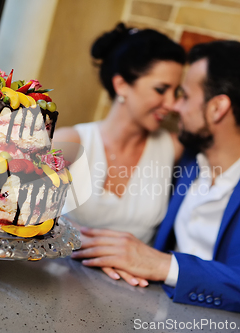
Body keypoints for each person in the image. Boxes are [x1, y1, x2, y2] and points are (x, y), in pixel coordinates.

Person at [71, 40, 240, 322]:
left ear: (217, 108)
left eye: (185, 96)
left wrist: (168, 267)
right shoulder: (185, 160)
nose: (175, 106)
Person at [56, 23, 185, 246]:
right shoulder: (70, 142)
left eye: (177, 92)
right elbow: (15, 205)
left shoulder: (173, 148)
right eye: (161, 90)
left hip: (131, 280)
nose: (172, 104)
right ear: (122, 84)